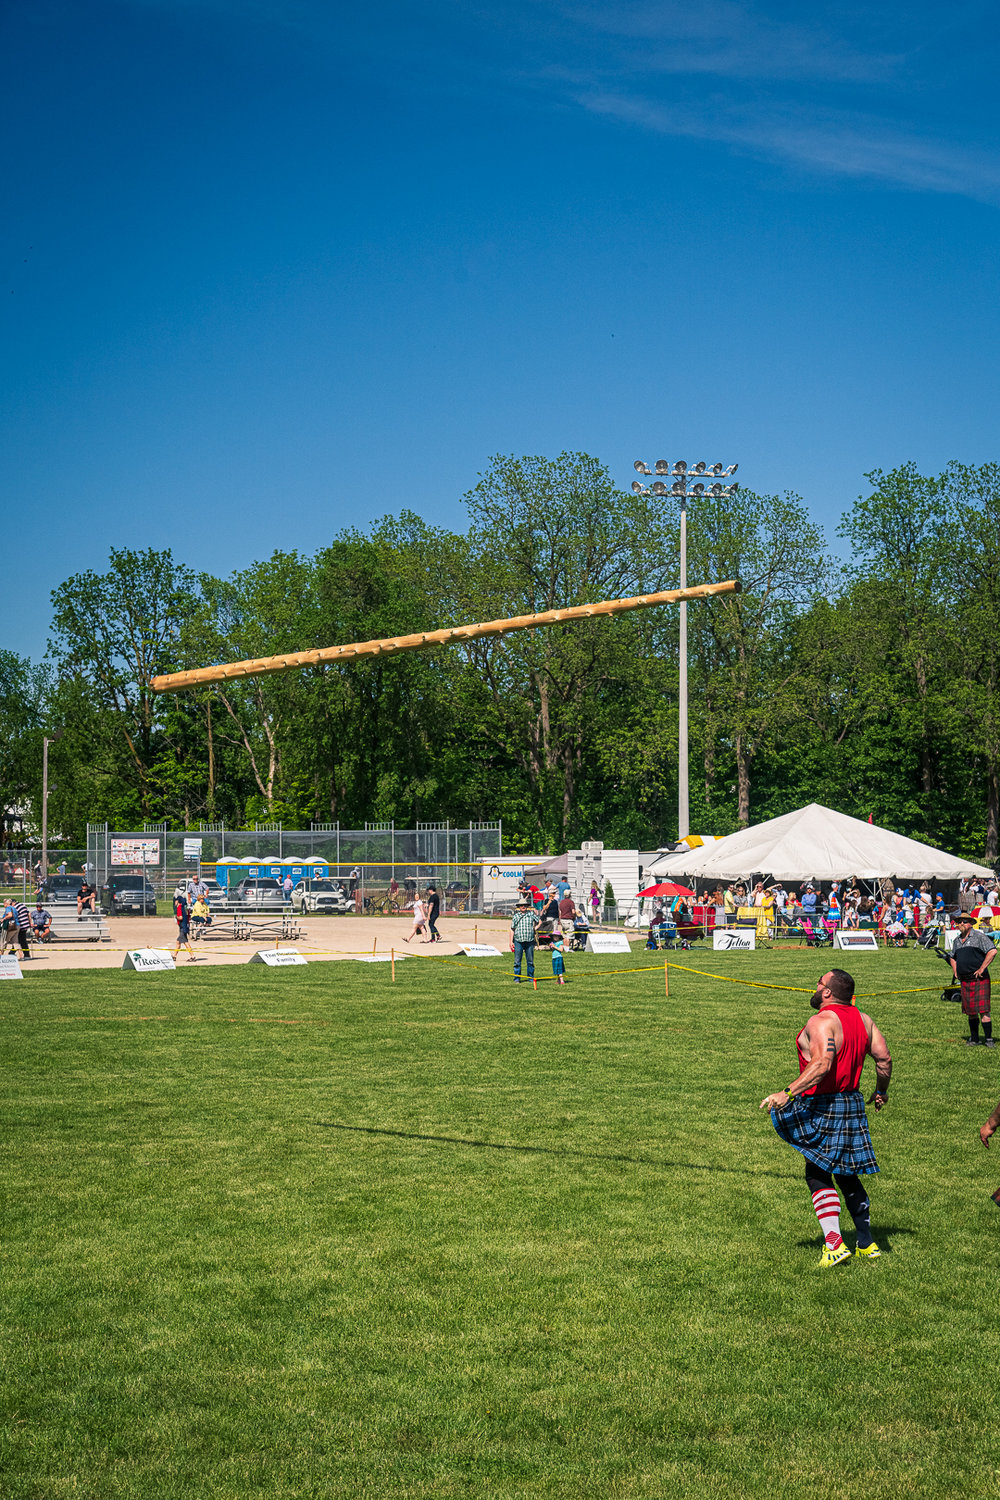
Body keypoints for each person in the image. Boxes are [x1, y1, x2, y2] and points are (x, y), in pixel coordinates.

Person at [760, 968, 892, 1267]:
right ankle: (867, 1242)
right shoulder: (864, 1020)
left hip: (823, 1102)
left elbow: (822, 1064)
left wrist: (787, 1093)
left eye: (818, 983)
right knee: (846, 1172)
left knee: (817, 1172)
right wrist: (881, 1091)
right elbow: (884, 1059)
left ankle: (833, 1245)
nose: (815, 987)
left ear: (828, 992)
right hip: (852, 1103)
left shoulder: (821, 1021)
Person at [949, 911, 997, 1046]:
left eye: (964, 921)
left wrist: (982, 968)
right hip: (965, 979)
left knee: (984, 1011)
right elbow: (952, 956)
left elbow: (992, 951)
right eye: (959, 922)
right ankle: (974, 1038)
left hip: (979, 979)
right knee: (970, 1011)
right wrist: (955, 970)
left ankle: (988, 1040)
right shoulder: (957, 941)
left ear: (971, 924)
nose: (961, 924)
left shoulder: (979, 937)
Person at [511, 898, 540, 982]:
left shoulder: (531, 914)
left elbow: (539, 921)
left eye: (524, 905)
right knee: (517, 962)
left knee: (530, 961)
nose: (523, 907)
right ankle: (517, 978)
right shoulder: (516, 916)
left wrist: (535, 928)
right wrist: (510, 942)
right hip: (518, 941)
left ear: (527, 906)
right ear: (519, 907)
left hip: (530, 941)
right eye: (521, 905)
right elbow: (512, 929)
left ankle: (530, 977)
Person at [172, 889, 195, 961]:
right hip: (185, 926)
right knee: (178, 942)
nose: (175, 902)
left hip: (182, 927)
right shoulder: (185, 908)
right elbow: (188, 916)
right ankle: (174, 956)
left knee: (185, 942)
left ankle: (192, 956)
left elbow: (181, 917)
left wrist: (176, 917)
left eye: (176, 900)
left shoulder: (179, 907)